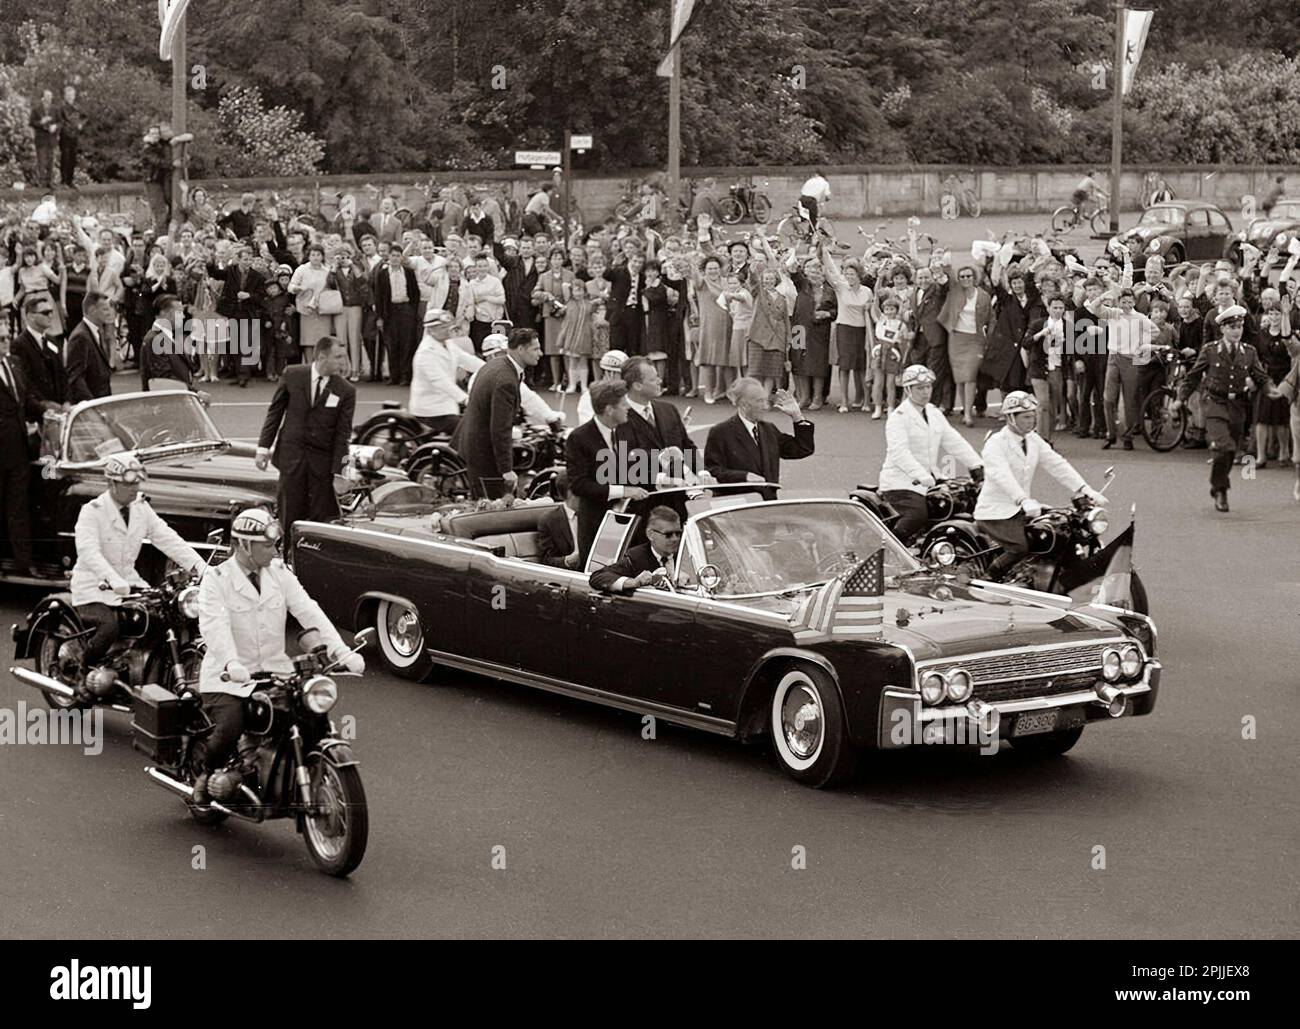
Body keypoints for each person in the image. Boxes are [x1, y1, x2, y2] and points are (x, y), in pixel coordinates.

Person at [193, 507, 363, 807]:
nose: (275, 551)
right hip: (228, 677)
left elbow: (308, 611)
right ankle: (205, 775)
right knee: (231, 725)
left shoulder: (280, 574)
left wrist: (342, 650)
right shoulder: (216, 580)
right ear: (244, 545)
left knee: (309, 715)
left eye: (275, 545)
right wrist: (232, 663)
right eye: (268, 545)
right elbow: (214, 627)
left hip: (276, 672)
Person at [69, 455, 204, 696]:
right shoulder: (92, 512)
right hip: (93, 587)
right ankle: (81, 673)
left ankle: (138, 673)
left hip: (130, 584)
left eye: (137, 483)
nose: (135, 488)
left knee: (162, 617)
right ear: (112, 484)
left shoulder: (141, 508)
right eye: (129, 484)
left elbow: (167, 538)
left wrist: (201, 568)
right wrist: (112, 579)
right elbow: (89, 552)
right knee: (109, 627)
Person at [974, 391, 1108, 579]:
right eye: (1026, 417)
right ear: (1011, 418)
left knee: (1061, 532)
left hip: (1024, 508)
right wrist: (1023, 499)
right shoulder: (996, 443)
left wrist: (1084, 488)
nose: (1032, 421)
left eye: (1033, 416)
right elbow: (1002, 476)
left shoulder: (1033, 440)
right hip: (996, 512)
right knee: (1020, 547)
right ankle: (987, 580)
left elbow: (1057, 464)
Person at [1173, 306, 1279, 512]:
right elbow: (1193, 376)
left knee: (1230, 452)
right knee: (1223, 447)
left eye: (1239, 327)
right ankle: (1220, 490)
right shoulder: (1210, 350)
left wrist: (1270, 389)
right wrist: (1180, 399)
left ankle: (1218, 483)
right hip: (1215, 403)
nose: (1236, 331)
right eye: (1231, 327)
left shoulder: (1249, 352)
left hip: (1238, 406)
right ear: (1222, 329)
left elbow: (1260, 376)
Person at [256, 336, 356, 529]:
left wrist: (342, 472)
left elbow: (344, 435)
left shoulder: (346, 391)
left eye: (343, 357)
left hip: (321, 468)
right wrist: (263, 448)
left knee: (321, 523)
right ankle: (286, 556)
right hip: (291, 461)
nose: (342, 362)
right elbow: (275, 413)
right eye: (337, 357)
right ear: (321, 357)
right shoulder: (292, 375)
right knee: (288, 518)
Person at [879, 365, 983, 544]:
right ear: (908, 389)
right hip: (901, 482)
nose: (926, 392)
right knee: (917, 515)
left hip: (932, 479)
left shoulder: (934, 413)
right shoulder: (899, 417)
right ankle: (889, 549)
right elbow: (899, 453)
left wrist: (976, 465)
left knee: (965, 503)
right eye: (920, 388)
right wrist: (922, 476)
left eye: (928, 387)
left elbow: (954, 441)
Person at [451, 327, 541, 498]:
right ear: (521, 350)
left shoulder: (497, 365)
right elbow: (500, 430)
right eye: (535, 349)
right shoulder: (506, 380)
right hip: (483, 454)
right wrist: (506, 470)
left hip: (472, 443)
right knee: (492, 509)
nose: (540, 353)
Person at [566, 379, 650, 563]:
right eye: (623, 404)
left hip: (630, 524)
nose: (628, 407)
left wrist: (665, 478)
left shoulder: (626, 431)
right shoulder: (579, 438)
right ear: (609, 409)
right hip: (597, 524)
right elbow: (579, 484)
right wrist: (623, 491)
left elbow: (636, 470)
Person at [0, 317, 56, 577]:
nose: (5, 342)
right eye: (0, 338)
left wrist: (47, 409)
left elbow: (26, 401)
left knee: (18, 508)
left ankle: (24, 563)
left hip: (18, 450)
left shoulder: (14, 364)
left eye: (6, 336)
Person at [704, 378, 815, 501]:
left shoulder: (769, 430)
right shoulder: (721, 432)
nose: (766, 406)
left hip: (767, 505)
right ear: (744, 404)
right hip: (737, 504)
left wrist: (797, 416)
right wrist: (744, 476)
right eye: (759, 401)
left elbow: (802, 449)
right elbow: (712, 470)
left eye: (766, 401)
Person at [410, 308, 483, 435]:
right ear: (431, 330)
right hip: (431, 410)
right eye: (443, 327)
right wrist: (465, 399)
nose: (448, 329)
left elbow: (469, 361)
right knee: (469, 431)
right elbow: (440, 381)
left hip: (446, 405)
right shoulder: (426, 353)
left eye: (447, 326)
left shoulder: (448, 345)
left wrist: (493, 369)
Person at [589, 505, 682, 593]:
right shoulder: (636, 558)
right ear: (651, 535)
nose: (675, 539)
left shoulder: (687, 554)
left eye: (678, 534)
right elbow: (597, 577)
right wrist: (634, 582)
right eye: (668, 535)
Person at [11, 295, 67, 407]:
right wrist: (45, 405)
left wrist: (67, 401)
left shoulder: (53, 341)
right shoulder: (19, 345)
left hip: (60, 407)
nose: (50, 316)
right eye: (45, 313)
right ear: (30, 316)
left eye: (51, 312)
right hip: (38, 410)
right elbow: (25, 382)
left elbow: (62, 374)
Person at [64, 292, 116, 402]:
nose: (109, 313)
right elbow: (76, 378)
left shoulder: (96, 332)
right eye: (105, 309)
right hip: (92, 405)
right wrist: (91, 405)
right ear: (92, 310)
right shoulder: (80, 337)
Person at [537, 471, 581, 569]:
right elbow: (546, 560)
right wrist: (567, 560)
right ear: (571, 492)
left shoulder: (595, 515)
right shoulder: (549, 521)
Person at [28, 89, 59, 189]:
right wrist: (41, 122)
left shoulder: (55, 109)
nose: (48, 98)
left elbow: (61, 122)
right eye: (47, 96)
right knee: (41, 161)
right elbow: (31, 123)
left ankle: (50, 182)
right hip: (41, 139)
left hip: (52, 139)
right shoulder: (36, 109)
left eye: (50, 96)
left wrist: (55, 126)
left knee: (51, 161)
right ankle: (41, 182)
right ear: (43, 97)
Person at [57, 85, 83, 189]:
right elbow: (60, 120)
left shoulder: (77, 107)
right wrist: (66, 127)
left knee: (73, 157)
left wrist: (80, 124)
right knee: (65, 157)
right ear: (65, 96)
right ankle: (63, 181)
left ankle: (70, 181)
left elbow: (84, 117)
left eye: (71, 95)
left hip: (74, 135)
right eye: (68, 95)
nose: (70, 97)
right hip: (65, 135)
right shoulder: (62, 107)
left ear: (74, 96)